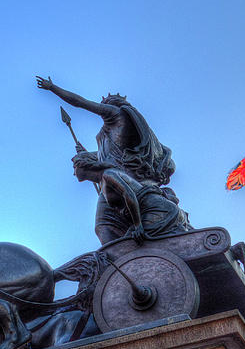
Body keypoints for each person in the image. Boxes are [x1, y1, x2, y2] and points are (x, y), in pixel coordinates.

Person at [36, 76, 190, 244]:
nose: (103, 105)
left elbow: (80, 102)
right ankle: (117, 260)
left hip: (121, 180)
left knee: (104, 225)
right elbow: (108, 157)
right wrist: (87, 155)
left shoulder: (116, 115)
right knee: (103, 226)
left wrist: (52, 87)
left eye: (106, 102)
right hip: (110, 183)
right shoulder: (108, 133)